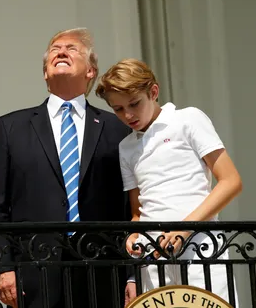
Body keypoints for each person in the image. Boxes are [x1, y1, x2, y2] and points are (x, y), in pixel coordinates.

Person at [0, 28, 131, 308]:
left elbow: (128, 207)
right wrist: (2, 268)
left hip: (102, 272)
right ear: (45, 74)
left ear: (91, 71)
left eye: (72, 49)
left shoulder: (117, 129)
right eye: (55, 49)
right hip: (33, 272)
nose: (61, 51)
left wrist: (132, 275)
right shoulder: (10, 127)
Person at [95, 58, 242, 306]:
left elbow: (231, 181)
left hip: (201, 249)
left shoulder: (188, 119)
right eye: (118, 109)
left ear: (153, 92)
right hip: (152, 260)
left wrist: (184, 229)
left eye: (134, 103)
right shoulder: (126, 147)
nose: (128, 115)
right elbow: (137, 212)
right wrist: (133, 235)